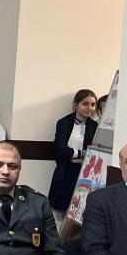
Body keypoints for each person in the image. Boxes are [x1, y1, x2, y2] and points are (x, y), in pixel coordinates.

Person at [48, 89, 98, 218]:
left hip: (85, 173)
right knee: (61, 211)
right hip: (65, 171)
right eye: (85, 104)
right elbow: (60, 151)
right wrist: (81, 154)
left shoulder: (95, 126)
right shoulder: (64, 123)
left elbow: (94, 153)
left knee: (82, 212)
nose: (90, 108)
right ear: (76, 105)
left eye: (93, 104)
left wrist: (73, 155)